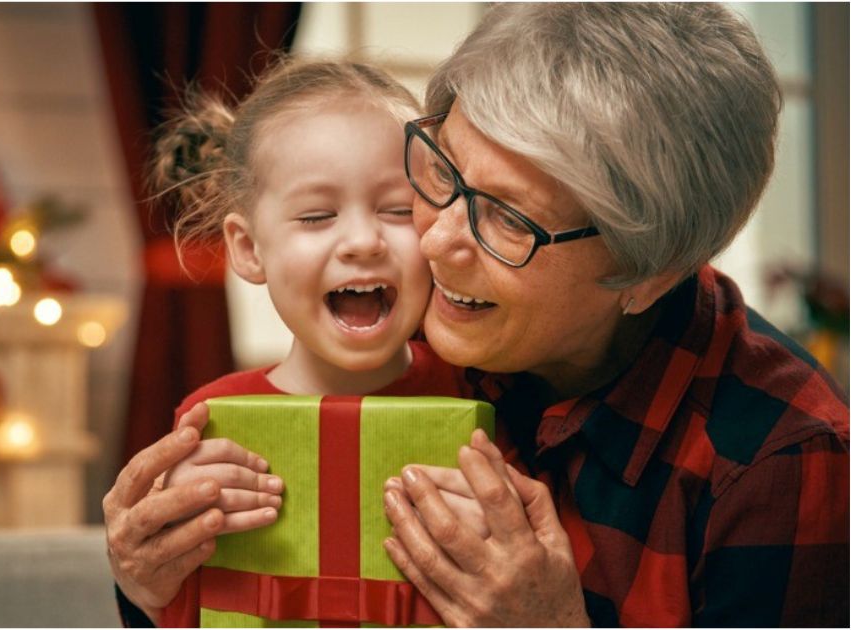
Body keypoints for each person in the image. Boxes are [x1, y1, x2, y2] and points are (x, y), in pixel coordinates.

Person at [105, 4, 850, 627]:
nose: (433, 240)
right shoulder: (411, 341)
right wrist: (148, 585)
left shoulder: (783, 464)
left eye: (508, 221)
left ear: (645, 272)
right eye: (440, 173)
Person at [148, 58, 485, 626]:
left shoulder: (483, 395)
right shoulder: (209, 424)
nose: (361, 241)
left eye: (399, 210)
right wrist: (172, 553)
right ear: (250, 250)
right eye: (317, 216)